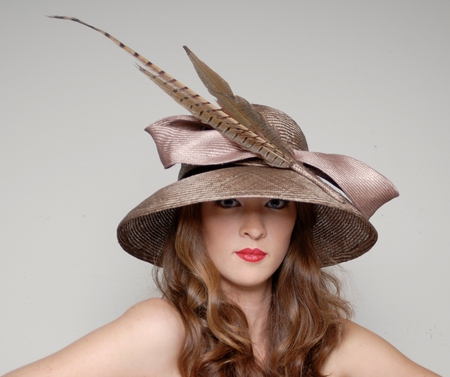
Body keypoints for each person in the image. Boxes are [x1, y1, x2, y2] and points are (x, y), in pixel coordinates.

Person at [3, 17, 440, 377]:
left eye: (276, 203)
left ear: (297, 222)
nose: (254, 227)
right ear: (196, 217)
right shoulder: (162, 330)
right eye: (228, 203)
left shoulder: (329, 344)